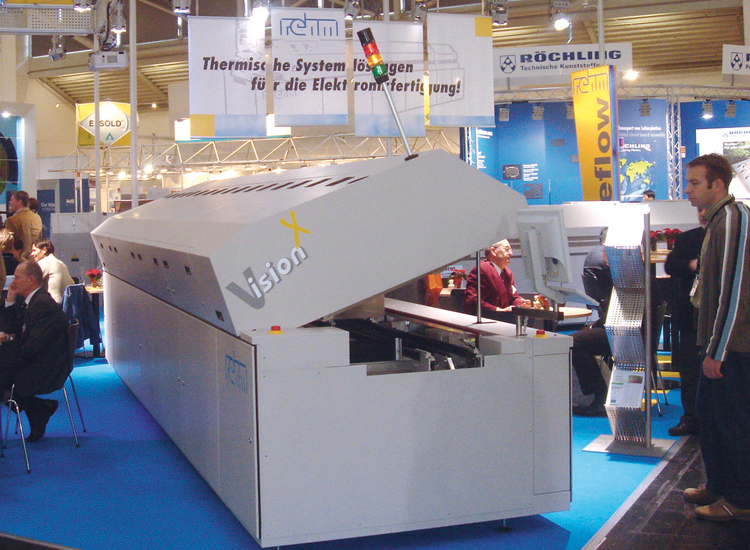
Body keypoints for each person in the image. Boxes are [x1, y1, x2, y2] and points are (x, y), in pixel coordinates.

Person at [682, 153, 750, 522]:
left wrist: (717, 351)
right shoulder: (719, 220)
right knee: (710, 418)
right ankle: (720, 485)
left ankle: (740, 499)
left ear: (718, 184)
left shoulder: (735, 219)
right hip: (717, 344)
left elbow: (734, 290)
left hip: (734, 348)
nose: (688, 190)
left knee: (734, 424)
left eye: (695, 183)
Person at [0, 260, 69, 442]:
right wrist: (10, 299)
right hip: (40, 359)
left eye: (17, 278)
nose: (13, 282)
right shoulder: (35, 300)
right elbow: (15, 331)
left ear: (30, 279)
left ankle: (37, 409)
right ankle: (37, 409)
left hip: (46, 366)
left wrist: (8, 360)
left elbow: (33, 347)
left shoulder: (41, 305)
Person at [663, 209, 706, 436]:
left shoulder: (732, 236)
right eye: (699, 210)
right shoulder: (688, 238)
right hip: (690, 317)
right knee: (689, 369)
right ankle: (691, 418)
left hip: (721, 317)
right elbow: (670, 266)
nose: (703, 214)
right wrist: (692, 265)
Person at [462, 239, 531, 323]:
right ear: (493, 251)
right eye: (506, 249)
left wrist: (521, 303)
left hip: (505, 320)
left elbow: (513, 297)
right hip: (486, 321)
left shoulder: (508, 273)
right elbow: (472, 300)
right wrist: (498, 310)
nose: (511, 253)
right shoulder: (481, 270)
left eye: (510, 250)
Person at [31, 239, 75, 304]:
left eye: (34, 250)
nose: (32, 254)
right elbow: (72, 284)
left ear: (44, 250)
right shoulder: (61, 264)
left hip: (50, 305)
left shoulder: (45, 262)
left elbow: (29, 281)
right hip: (64, 305)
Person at [5, 190, 42, 259]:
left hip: (18, 259)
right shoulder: (37, 217)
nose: (10, 202)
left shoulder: (12, 220)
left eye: (12, 200)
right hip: (35, 258)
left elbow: (7, 243)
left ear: (19, 202)